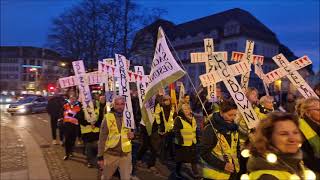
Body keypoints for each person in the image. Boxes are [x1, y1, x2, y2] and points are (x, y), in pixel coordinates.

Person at [245, 112, 316, 180]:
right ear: (268, 138)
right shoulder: (267, 177)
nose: (292, 138)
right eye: (283, 134)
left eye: (295, 132)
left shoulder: (296, 163)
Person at [200, 99, 240, 180]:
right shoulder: (211, 129)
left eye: (235, 115)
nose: (233, 118)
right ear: (221, 113)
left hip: (232, 174)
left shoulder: (234, 128)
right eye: (230, 115)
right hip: (215, 175)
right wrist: (223, 165)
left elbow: (236, 149)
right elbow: (204, 153)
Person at [97, 96, 135, 180]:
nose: (120, 106)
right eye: (117, 104)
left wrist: (133, 134)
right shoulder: (107, 118)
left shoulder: (129, 117)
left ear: (125, 105)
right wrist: (100, 157)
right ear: (113, 105)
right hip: (111, 155)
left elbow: (132, 131)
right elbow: (102, 138)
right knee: (106, 177)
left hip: (126, 155)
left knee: (126, 178)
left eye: (122, 104)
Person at [295, 97, 320, 178]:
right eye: (318, 110)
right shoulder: (299, 127)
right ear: (307, 112)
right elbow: (305, 157)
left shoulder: (317, 125)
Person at [173, 104, 200, 179]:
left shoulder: (192, 117)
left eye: (188, 109)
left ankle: (196, 174)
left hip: (192, 142)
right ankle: (177, 172)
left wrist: (197, 138)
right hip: (182, 144)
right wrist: (180, 140)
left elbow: (195, 129)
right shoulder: (178, 119)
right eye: (185, 109)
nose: (187, 111)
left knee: (193, 159)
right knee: (180, 160)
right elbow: (176, 131)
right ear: (182, 110)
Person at [78, 95, 105, 168]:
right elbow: (80, 120)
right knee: (88, 148)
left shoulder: (98, 109)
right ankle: (90, 161)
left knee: (97, 148)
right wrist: (89, 124)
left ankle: (99, 162)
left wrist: (95, 124)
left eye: (93, 102)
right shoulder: (83, 110)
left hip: (96, 133)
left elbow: (101, 120)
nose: (92, 103)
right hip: (86, 133)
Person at [154, 95, 177, 162]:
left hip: (170, 128)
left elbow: (173, 116)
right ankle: (162, 158)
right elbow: (157, 115)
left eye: (168, 100)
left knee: (170, 143)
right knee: (163, 144)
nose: (167, 101)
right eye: (165, 100)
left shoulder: (172, 107)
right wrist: (159, 125)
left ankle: (171, 156)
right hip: (163, 128)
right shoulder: (160, 106)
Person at [62, 95, 81, 160]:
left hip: (74, 126)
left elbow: (79, 116)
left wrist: (69, 114)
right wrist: (72, 114)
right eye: (71, 99)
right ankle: (67, 154)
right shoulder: (65, 106)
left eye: (74, 99)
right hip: (67, 126)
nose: (72, 100)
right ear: (69, 99)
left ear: (75, 100)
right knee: (67, 140)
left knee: (73, 140)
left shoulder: (78, 107)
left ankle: (71, 151)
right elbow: (62, 113)